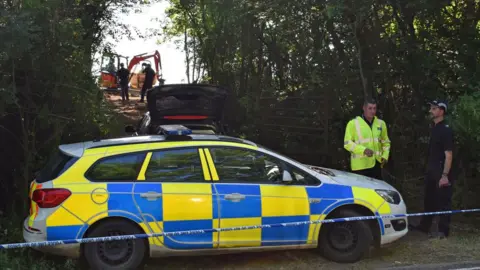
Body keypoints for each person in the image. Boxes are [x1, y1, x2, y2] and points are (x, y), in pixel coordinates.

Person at [412, 99, 455, 239]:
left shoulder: (446, 130)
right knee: (429, 200)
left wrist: (445, 175)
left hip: (441, 171)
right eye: (431, 108)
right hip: (431, 170)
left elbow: (449, 154)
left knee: (443, 201)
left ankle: (443, 231)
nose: (431, 111)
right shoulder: (434, 128)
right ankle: (425, 226)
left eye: (434, 109)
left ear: (441, 111)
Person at [343, 98, 391, 180]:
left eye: (374, 108)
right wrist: (363, 150)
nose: (372, 111)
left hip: (376, 165)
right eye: (370, 108)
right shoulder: (353, 123)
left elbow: (386, 142)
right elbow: (347, 143)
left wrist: (385, 156)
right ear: (364, 108)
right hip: (360, 167)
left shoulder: (381, 124)